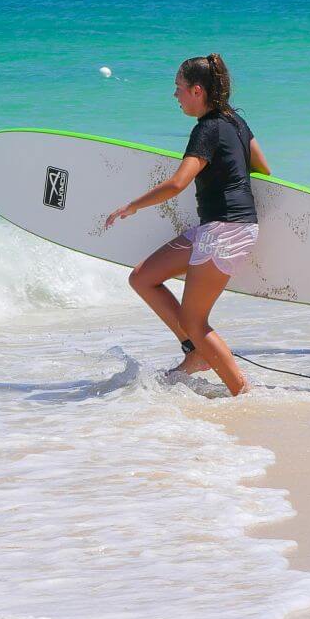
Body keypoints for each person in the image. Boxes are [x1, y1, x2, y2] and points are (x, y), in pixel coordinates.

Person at [105, 54, 269, 397]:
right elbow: (263, 169)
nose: (175, 95)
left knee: (194, 321)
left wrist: (132, 206)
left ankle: (242, 393)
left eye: (178, 88)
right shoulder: (237, 122)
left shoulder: (206, 129)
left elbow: (178, 183)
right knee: (143, 277)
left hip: (224, 231)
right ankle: (196, 352)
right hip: (222, 227)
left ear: (197, 91)